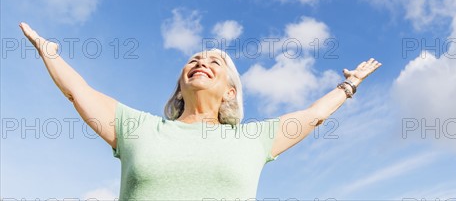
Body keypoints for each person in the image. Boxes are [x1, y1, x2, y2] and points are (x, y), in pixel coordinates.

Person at [19, 22, 382, 200]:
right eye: (193, 60)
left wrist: (348, 86)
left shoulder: (252, 140)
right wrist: (50, 54)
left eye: (214, 62)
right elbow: (78, 92)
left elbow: (312, 115)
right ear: (180, 85)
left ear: (230, 91)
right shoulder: (138, 128)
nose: (200, 62)